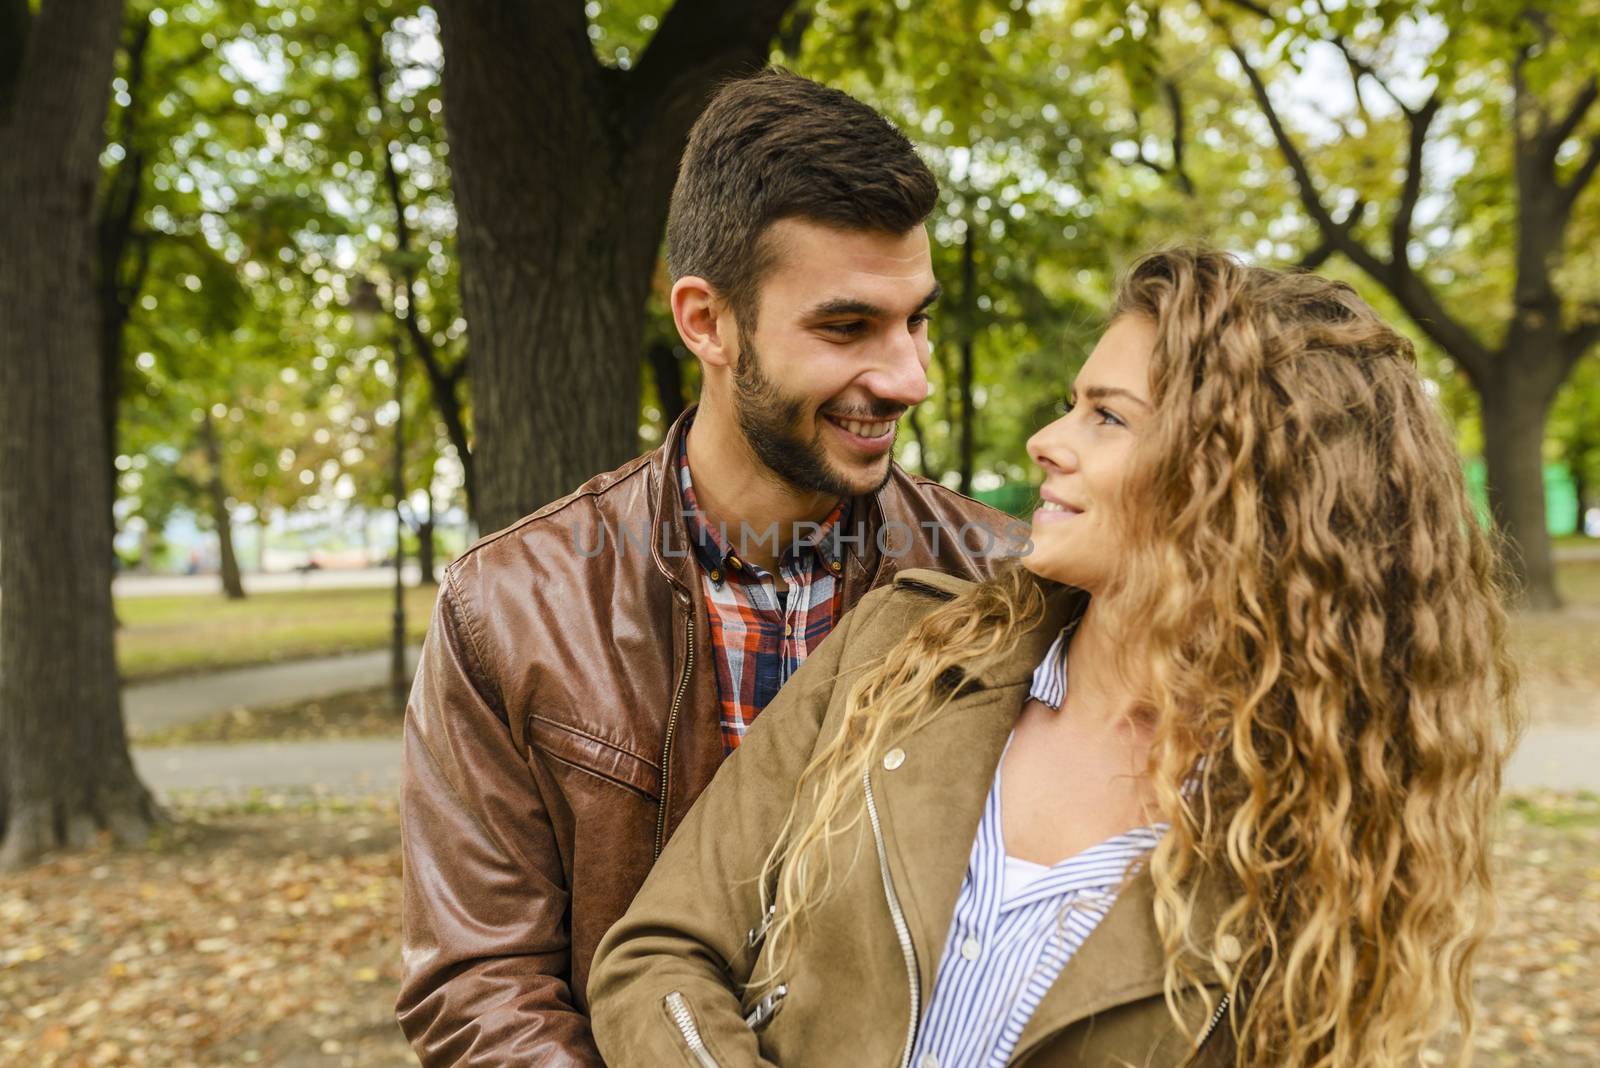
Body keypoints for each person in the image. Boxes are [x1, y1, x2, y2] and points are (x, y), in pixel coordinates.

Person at [587, 248, 1521, 1067]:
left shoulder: (1319, 827)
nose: (1046, 441)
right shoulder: (896, 654)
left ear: (1245, 485)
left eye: (1106, 418)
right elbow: (660, 957)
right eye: (1072, 406)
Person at [395, 69, 1019, 1065]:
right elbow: (480, 988)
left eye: (917, 319)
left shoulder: (1003, 583)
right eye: (847, 326)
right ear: (705, 322)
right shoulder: (506, 610)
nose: (909, 376)